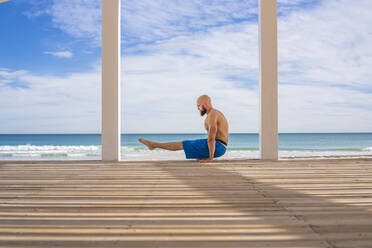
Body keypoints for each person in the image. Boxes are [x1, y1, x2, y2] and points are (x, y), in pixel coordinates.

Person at [138, 95, 229, 163]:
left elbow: (211, 138)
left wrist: (210, 158)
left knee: (183, 144)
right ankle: (154, 145)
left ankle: (154, 145)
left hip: (218, 146)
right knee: (188, 144)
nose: (198, 108)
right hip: (220, 147)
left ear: (205, 104)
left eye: (198, 105)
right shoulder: (215, 113)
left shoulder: (212, 115)